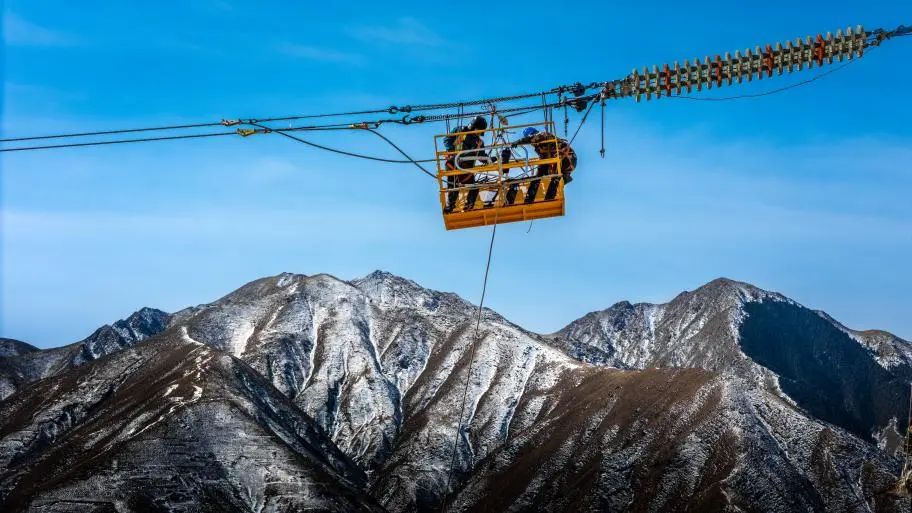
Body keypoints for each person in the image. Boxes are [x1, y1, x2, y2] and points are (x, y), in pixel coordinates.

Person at [510, 126, 577, 203]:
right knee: (547, 176)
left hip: (566, 158)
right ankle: (542, 195)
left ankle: (548, 195)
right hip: (566, 162)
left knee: (553, 179)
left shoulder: (542, 135)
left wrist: (519, 142)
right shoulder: (541, 145)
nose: (531, 144)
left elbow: (533, 138)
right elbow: (543, 162)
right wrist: (537, 177)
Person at [442, 116, 488, 212]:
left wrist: (488, 159)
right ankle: (450, 206)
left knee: (474, 187)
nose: (479, 133)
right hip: (453, 164)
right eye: (478, 130)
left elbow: (481, 156)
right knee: (453, 186)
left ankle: (469, 206)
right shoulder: (460, 130)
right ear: (473, 126)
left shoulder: (479, 142)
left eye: (481, 131)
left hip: (466, 169)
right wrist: (452, 149)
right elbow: (446, 140)